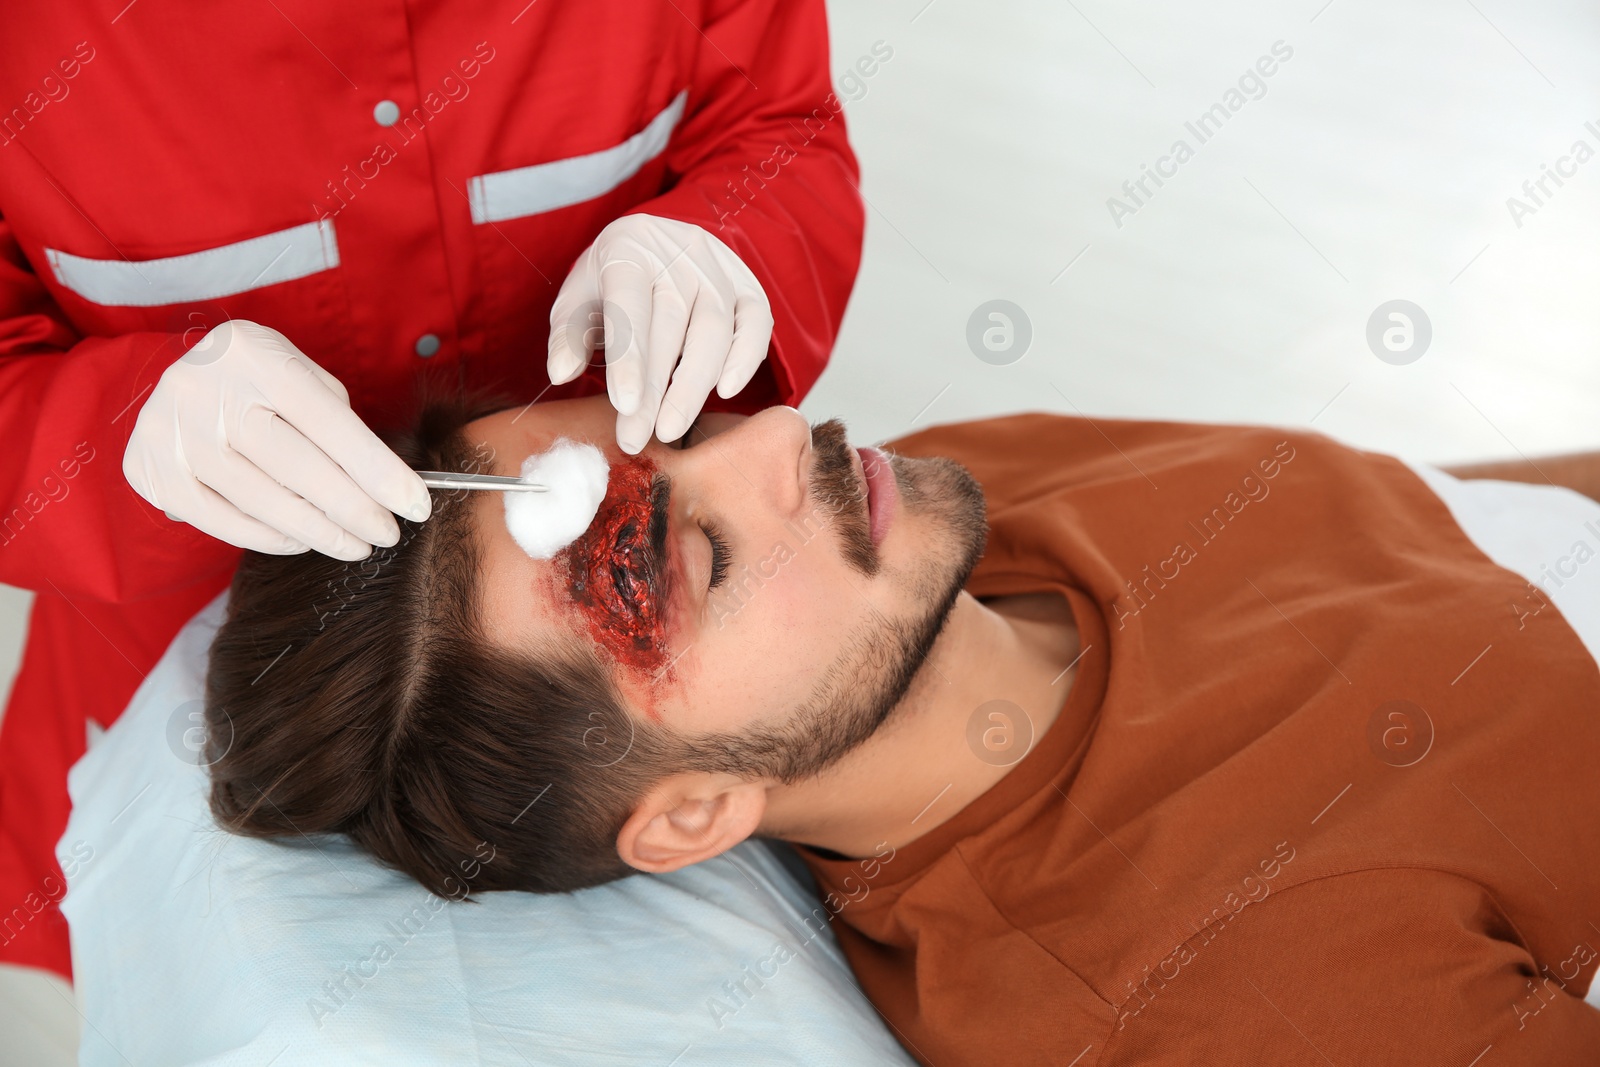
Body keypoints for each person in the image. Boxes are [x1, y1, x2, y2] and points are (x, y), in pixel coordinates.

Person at [205, 390, 1600, 1064]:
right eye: (674, 562)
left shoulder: (933, 514)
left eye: (669, 429)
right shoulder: (1203, 1004)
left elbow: (1438, 519)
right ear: (692, 812)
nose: (778, 440)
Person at [0, 1, 863, 983]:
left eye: (646, 546)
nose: (792, 442)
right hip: (157, 675)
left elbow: (776, 124)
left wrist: (733, 230)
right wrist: (101, 432)